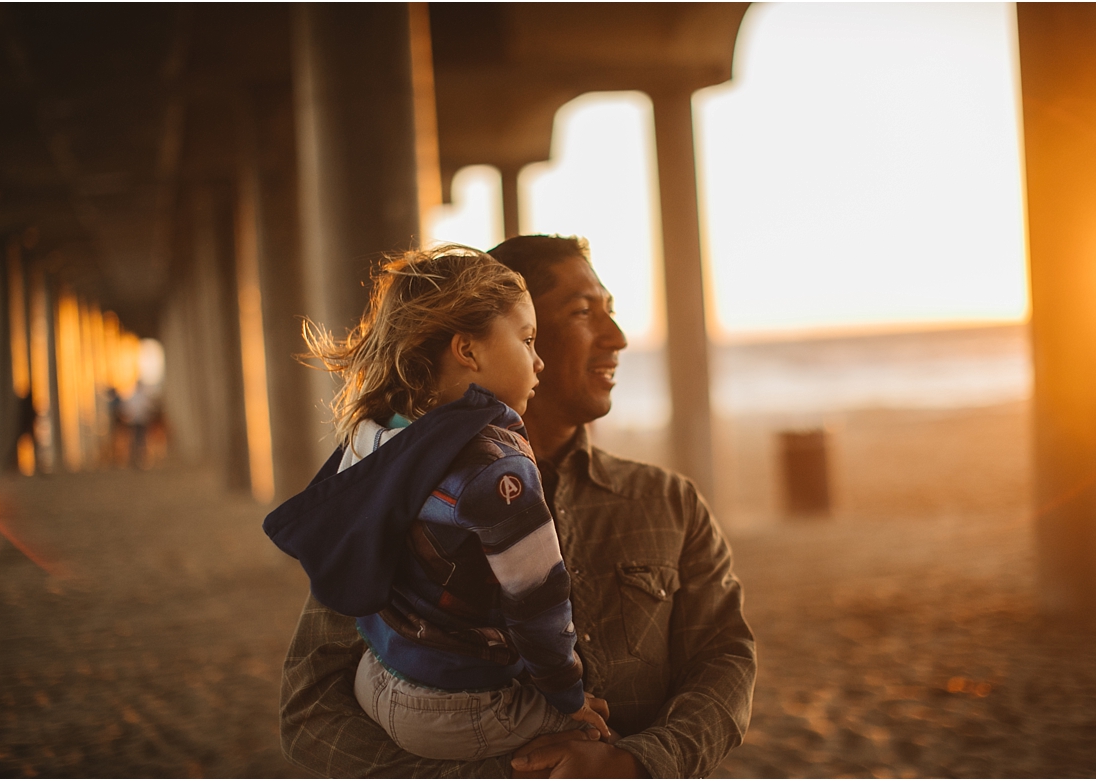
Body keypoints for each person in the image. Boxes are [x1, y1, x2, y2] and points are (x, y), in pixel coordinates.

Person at [278, 235, 757, 778]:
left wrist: (633, 761)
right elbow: (310, 709)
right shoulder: (395, 493)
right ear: (479, 340)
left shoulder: (669, 503)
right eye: (581, 311)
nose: (618, 337)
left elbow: (726, 661)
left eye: (612, 311)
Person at [263, 247, 610, 761]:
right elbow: (539, 602)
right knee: (602, 739)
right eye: (527, 339)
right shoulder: (497, 466)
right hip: (455, 708)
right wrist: (567, 697)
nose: (539, 361)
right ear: (468, 351)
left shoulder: (377, 436)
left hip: (376, 678)